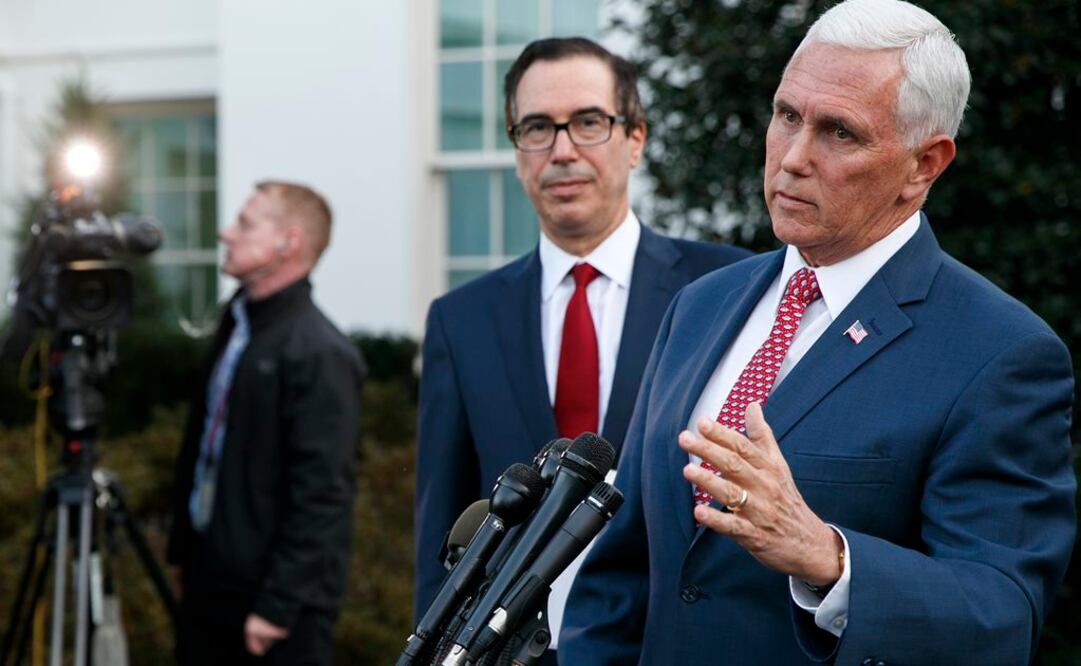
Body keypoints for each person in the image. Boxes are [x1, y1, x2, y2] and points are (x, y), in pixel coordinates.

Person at [559, 1, 1076, 664]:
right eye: (786, 116)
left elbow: (999, 616)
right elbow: (620, 571)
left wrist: (827, 559)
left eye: (838, 133)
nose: (793, 158)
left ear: (924, 164)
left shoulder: (999, 353)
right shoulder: (700, 305)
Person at [412, 36, 750, 655]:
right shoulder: (461, 320)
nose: (562, 150)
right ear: (517, 152)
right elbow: (443, 529)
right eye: (537, 128)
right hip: (508, 648)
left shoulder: (728, 290)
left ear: (636, 139)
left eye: (588, 122)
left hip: (674, 640)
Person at [167, 181, 366, 666]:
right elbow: (201, 449)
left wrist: (276, 608)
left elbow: (323, 496)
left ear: (288, 243)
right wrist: (182, 555)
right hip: (209, 591)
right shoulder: (237, 325)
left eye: (245, 223)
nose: (225, 233)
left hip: (275, 615)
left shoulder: (320, 353)